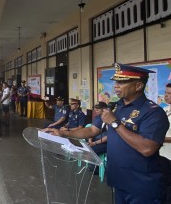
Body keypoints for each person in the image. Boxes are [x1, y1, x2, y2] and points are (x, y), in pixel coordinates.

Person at [44, 63, 169, 203]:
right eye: (116, 82)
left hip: (142, 184)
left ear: (138, 86)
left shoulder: (153, 113)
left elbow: (147, 148)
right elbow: (92, 130)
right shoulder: (116, 107)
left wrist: (115, 123)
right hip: (118, 180)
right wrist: (64, 134)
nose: (116, 86)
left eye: (122, 82)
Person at [160, 83, 171, 159]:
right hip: (162, 155)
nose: (166, 95)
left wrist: (159, 138)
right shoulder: (165, 109)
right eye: (165, 93)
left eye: (170, 93)